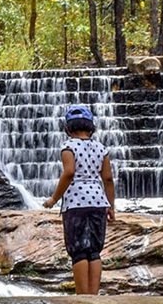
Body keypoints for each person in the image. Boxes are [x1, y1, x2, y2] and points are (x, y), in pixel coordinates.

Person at [42, 105, 115, 294]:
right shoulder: (101, 149)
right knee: (94, 251)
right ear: (91, 127)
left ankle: (82, 297)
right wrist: (111, 206)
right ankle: (93, 296)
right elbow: (107, 179)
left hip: (75, 203)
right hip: (98, 201)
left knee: (78, 250)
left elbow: (69, 173)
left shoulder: (68, 148)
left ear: (68, 128)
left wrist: (54, 199)